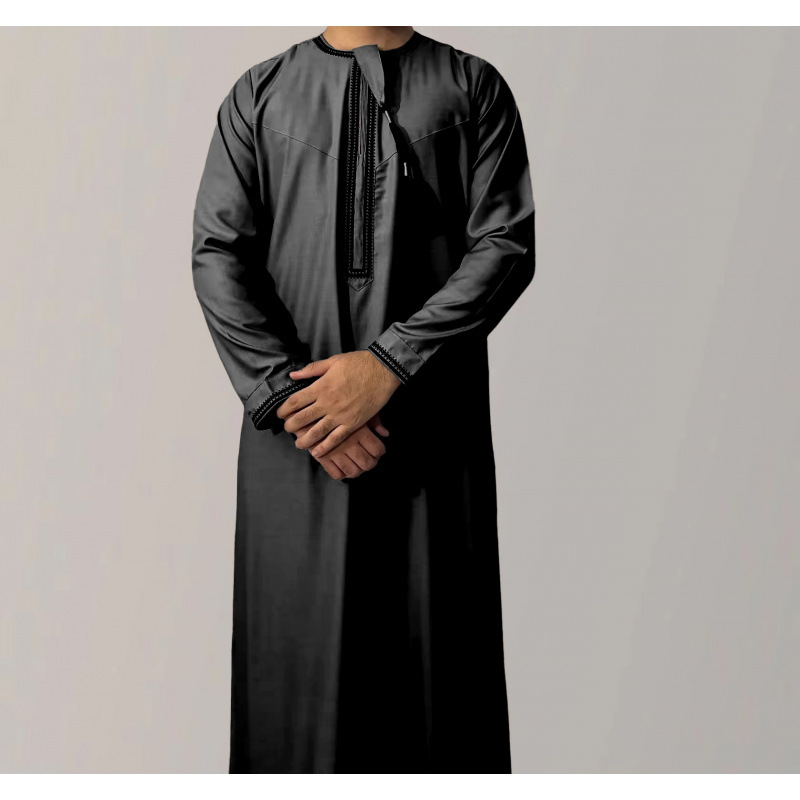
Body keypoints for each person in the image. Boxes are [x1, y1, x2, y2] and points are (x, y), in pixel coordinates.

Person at [192, 25, 536, 774]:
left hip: (430, 435)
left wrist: (388, 366)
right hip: (297, 449)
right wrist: (291, 398)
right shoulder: (259, 95)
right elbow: (219, 255)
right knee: (295, 688)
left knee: (437, 687)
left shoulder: (472, 88)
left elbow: (505, 246)